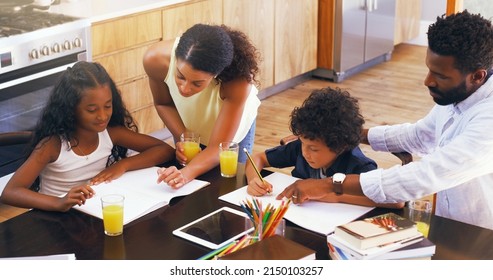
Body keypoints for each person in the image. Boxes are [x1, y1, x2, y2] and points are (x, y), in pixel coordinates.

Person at [278, 10, 493, 230]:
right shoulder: (459, 95)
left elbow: (425, 175)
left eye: (440, 76)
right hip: (454, 222)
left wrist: (331, 185)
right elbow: (421, 135)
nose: (427, 81)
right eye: (430, 69)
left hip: (483, 233)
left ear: (477, 76)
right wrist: (339, 132)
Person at [0, 61, 175, 212]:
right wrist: (59, 202)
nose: (102, 116)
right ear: (70, 109)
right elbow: (11, 192)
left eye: (107, 106)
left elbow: (164, 150)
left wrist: (123, 165)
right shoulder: (53, 145)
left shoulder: (111, 133)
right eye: (92, 110)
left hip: (94, 210)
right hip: (57, 217)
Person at [143, 23, 261, 189]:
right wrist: (184, 137)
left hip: (229, 135)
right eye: (180, 76)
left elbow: (217, 147)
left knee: (228, 186)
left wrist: (184, 175)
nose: (184, 88)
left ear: (216, 75)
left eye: (197, 83)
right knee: (192, 190)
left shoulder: (238, 82)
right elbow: (163, 103)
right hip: (189, 125)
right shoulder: (155, 60)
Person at [246, 87, 403, 209]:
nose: (305, 153)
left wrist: (336, 195)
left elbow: (397, 202)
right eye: (302, 143)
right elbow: (257, 158)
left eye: (314, 149)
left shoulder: (359, 165)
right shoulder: (300, 148)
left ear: (340, 146)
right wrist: (254, 181)